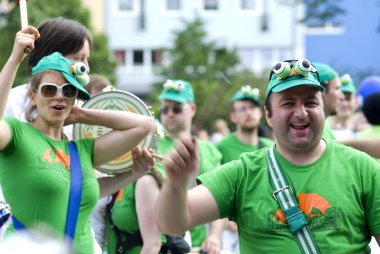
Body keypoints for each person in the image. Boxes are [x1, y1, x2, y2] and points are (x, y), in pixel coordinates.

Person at [155, 59, 380, 253]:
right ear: (269, 116)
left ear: (323, 110)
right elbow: (173, 223)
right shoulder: (243, 173)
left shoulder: (364, 169)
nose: (301, 112)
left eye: (310, 102)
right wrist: (175, 185)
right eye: (288, 103)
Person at [0, 28, 154, 254]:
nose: (59, 96)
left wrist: (83, 114)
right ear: (32, 96)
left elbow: (144, 125)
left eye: (69, 91)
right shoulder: (16, 135)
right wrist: (14, 60)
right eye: (50, 90)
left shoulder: (81, 148)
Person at [156, 79, 224, 253]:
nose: (169, 113)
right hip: (163, 244)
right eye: (164, 108)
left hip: (198, 247)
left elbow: (219, 196)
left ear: (192, 109)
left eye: (177, 108)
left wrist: (215, 236)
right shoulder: (151, 146)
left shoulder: (209, 149)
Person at [215, 85, 273, 253]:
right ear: (233, 116)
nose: (249, 113)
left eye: (253, 107)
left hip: (266, 228)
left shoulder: (272, 147)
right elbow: (216, 189)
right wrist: (226, 219)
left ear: (260, 112)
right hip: (231, 232)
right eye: (242, 109)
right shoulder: (221, 147)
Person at [313, 62, 344, 140]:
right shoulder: (312, 132)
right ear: (321, 92)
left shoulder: (324, 129)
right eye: (337, 89)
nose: (342, 97)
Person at [325, 74, 359, 140]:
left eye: (348, 99)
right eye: (340, 99)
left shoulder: (363, 130)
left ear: (356, 102)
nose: (344, 104)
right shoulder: (322, 127)